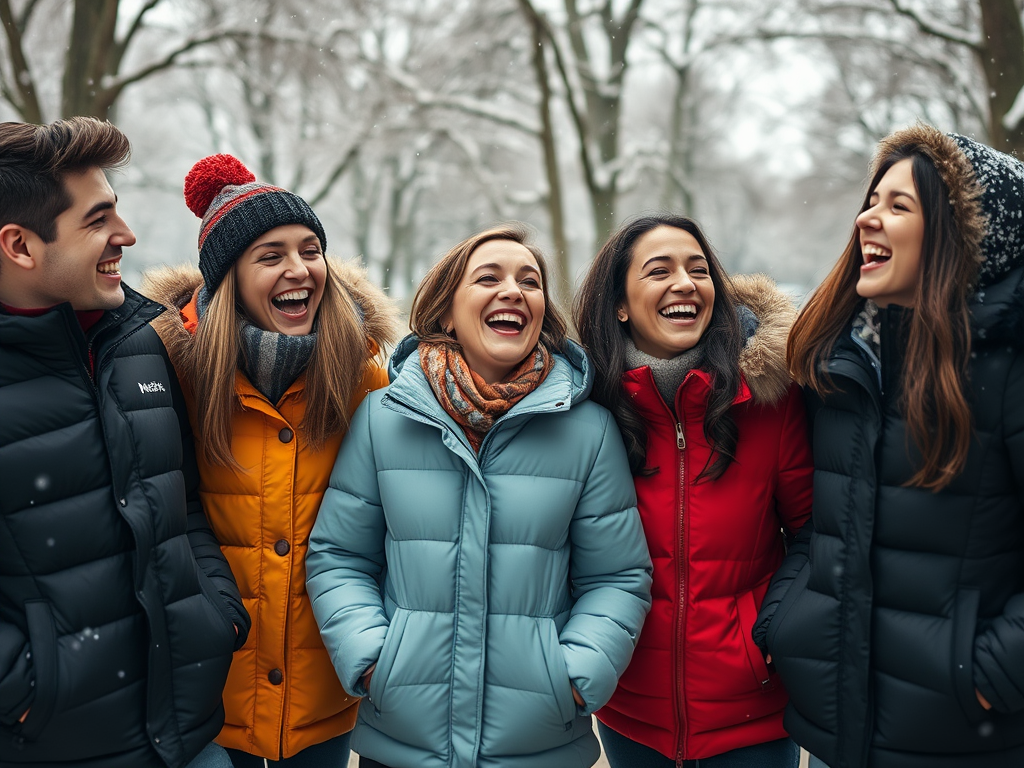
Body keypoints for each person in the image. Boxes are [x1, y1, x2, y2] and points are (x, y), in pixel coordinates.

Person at [306, 224, 653, 768]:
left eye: (530, 281)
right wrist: (375, 660)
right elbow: (339, 558)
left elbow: (617, 578)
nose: (513, 291)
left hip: (538, 747)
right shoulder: (381, 418)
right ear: (446, 311)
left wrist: (574, 678)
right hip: (401, 743)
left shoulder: (589, 430)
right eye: (488, 277)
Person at [754, 123, 1024, 768]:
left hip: (961, 738)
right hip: (835, 732)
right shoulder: (843, 365)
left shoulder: (1008, 367)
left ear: (962, 239)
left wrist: (989, 673)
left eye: (897, 205)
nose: (866, 220)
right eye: (870, 202)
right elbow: (819, 524)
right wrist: (786, 620)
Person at [0, 119, 248, 767]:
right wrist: (24, 689)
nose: (126, 235)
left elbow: (181, 503)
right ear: (20, 246)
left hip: (192, 738)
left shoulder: (138, 342)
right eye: (98, 219)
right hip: (57, 745)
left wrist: (217, 614)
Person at [144, 154, 396, 767]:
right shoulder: (172, 372)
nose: (299, 269)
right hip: (212, 690)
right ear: (228, 277)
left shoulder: (363, 377)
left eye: (311, 249)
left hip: (325, 690)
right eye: (271, 255)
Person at [573, 214, 812, 768]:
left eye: (699, 269)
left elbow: (815, 534)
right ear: (620, 304)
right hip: (632, 714)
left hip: (753, 717)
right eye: (659, 270)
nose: (685, 282)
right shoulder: (590, 408)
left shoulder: (769, 402)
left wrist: (770, 633)